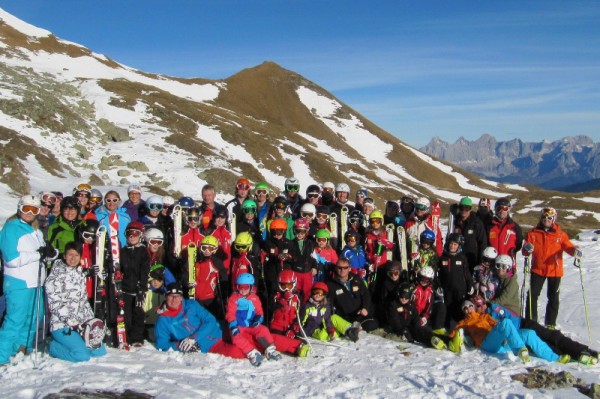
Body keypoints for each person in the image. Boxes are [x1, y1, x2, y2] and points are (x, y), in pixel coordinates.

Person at [0, 195, 57, 365]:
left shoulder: (36, 230)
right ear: (19, 208)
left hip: (36, 282)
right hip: (19, 282)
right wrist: (37, 254)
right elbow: (11, 258)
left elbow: (42, 256)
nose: (30, 213)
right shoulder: (11, 229)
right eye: (26, 209)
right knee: (15, 319)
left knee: (33, 318)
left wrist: (50, 253)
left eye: (34, 209)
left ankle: (22, 348)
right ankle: (2, 354)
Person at [472, 295, 596, 365]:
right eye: (478, 306)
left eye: (482, 303)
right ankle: (566, 355)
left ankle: (581, 351)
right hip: (513, 335)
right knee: (544, 341)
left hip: (522, 325)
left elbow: (510, 320)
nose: (481, 307)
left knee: (551, 336)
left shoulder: (495, 309)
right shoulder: (477, 318)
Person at [45, 241, 107, 362]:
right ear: (64, 256)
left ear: (80, 257)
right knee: (82, 355)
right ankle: (53, 347)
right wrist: (73, 323)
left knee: (100, 350)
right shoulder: (55, 276)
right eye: (70, 255)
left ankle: (76, 342)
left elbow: (83, 301)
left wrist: (91, 321)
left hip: (80, 324)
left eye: (76, 255)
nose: (73, 259)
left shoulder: (79, 274)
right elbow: (55, 305)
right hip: (62, 325)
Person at [154, 282, 246, 359]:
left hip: (220, 330)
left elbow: (210, 320)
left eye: (177, 296)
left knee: (246, 336)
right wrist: (179, 345)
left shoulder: (191, 305)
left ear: (181, 297)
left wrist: (193, 338)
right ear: (166, 297)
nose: (174, 299)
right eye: (171, 296)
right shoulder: (162, 321)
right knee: (237, 352)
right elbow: (161, 344)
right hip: (209, 345)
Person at [523, 207, 581, 329]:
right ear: (541, 218)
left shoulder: (560, 235)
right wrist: (527, 249)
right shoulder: (532, 234)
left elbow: (568, 247)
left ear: (554, 219)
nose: (546, 220)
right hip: (537, 269)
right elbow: (525, 250)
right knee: (532, 295)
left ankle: (550, 323)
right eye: (544, 217)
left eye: (549, 218)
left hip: (554, 270)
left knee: (553, 298)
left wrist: (575, 251)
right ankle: (531, 321)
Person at [226, 273, 283, 366]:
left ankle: (269, 350)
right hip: (239, 325)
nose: (243, 290)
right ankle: (252, 353)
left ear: (251, 287)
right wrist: (233, 326)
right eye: (240, 287)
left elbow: (259, 312)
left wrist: (258, 319)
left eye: (246, 287)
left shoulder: (254, 298)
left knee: (263, 329)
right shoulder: (234, 298)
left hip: (251, 324)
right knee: (236, 337)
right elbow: (230, 313)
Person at [326, 258, 378, 332]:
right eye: (339, 267)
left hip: (361, 314)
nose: (342, 270)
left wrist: (365, 308)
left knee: (372, 325)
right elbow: (330, 303)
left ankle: (359, 328)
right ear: (336, 268)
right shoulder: (331, 284)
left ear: (349, 268)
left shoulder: (356, 279)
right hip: (346, 317)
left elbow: (366, 294)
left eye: (345, 268)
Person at [120, 222, 150, 346]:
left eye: (135, 234)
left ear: (140, 236)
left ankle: (137, 338)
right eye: (129, 234)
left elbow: (144, 270)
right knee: (125, 314)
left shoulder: (143, 251)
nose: (132, 237)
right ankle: (124, 337)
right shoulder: (123, 251)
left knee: (138, 313)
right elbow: (119, 268)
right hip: (125, 289)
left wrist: (142, 287)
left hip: (138, 288)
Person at [438, 233, 474, 328]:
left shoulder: (462, 257)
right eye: (451, 244)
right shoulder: (443, 257)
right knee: (447, 309)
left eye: (455, 244)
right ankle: (445, 328)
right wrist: (438, 285)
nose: (452, 246)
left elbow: (467, 273)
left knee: (460, 309)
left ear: (459, 246)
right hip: (447, 289)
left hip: (460, 289)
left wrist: (470, 285)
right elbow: (439, 274)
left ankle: (462, 329)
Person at [450, 197, 487, 272]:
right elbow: (449, 238)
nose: (464, 211)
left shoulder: (476, 223)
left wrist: (480, 262)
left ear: (470, 209)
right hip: (457, 258)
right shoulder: (455, 221)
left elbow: (482, 243)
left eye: (467, 208)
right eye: (461, 208)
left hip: (472, 260)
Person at [486, 198, 523, 273]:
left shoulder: (515, 227)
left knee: (510, 284)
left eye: (505, 208)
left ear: (508, 210)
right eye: (499, 208)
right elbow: (485, 243)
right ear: (495, 210)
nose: (502, 211)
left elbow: (519, 244)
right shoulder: (489, 226)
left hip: (508, 267)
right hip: (493, 266)